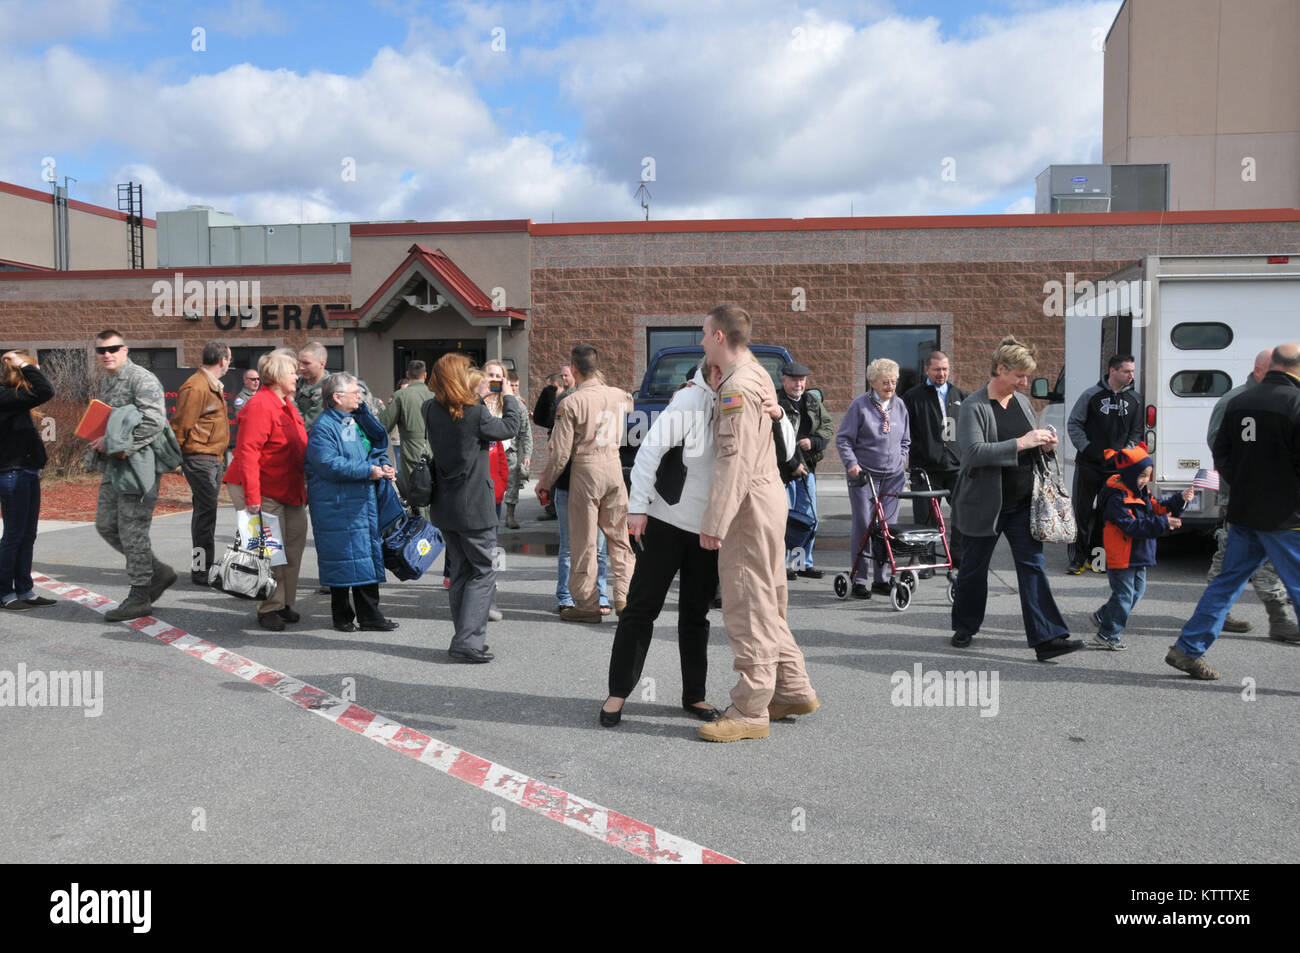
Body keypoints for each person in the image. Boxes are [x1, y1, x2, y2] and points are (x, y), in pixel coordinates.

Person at [697, 304, 818, 743]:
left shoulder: (738, 386)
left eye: (704, 333)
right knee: (767, 598)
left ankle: (750, 708)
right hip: (765, 497)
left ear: (719, 337)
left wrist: (716, 519)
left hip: (746, 504)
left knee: (747, 602)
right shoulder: (754, 374)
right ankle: (791, 689)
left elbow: (734, 459)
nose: (701, 339)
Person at [600, 359, 730, 727]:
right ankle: (617, 693)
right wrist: (637, 508)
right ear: (712, 372)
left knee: (696, 615)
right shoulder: (689, 401)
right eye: (723, 370)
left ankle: (695, 696)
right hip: (666, 521)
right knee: (641, 610)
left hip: (708, 529)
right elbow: (648, 454)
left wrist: (774, 408)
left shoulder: (740, 401)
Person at [1168, 344, 1300, 679]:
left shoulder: (1238, 401)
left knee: (1227, 583)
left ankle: (1187, 649)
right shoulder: (1296, 403)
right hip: (1286, 518)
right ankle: (1187, 649)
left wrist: (1241, 483)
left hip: (1243, 511)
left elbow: (1221, 452)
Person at [949, 336, 1083, 661]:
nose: (1025, 382)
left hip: (1023, 503)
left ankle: (1047, 638)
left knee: (1033, 567)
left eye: (1026, 376)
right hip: (984, 507)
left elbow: (1029, 443)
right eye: (1019, 376)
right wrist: (1023, 442)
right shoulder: (974, 406)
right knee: (973, 570)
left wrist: (1044, 445)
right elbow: (973, 454)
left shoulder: (1021, 402)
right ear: (1000, 369)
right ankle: (965, 626)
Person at [423, 353, 521, 663]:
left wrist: (478, 396)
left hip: (445, 506)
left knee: (462, 572)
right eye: (466, 371)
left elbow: (457, 413)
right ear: (458, 379)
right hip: (475, 507)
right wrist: (507, 395)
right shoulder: (475, 413)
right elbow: (510, 427)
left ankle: (463, 636)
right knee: (483, 571)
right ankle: (467, 641)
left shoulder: (430, 409)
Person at [1202, 348, 1298, 638]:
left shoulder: (1278, 399)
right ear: (1259, 371)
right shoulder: (1235, 400)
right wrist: (1244, 481)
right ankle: (1225, 616)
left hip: (1268, 499)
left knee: (1253, 560)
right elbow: (1218, 445)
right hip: (1242, 495)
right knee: (1230, 558)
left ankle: (1277, 617)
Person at [535, 346, 634, 623]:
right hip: (613, 467)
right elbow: (629, 403)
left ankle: (588, 604)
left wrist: (545, 482)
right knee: (618, 538)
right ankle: (624, 596)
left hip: (586, 469)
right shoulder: (619, 396)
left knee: (585, 541)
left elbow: (561, 453)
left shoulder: (571, 403)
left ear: (574, 369)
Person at [88, 330, 177, 623]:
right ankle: (158, 572)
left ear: (125, 350)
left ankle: (140, 595)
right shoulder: (108, 381)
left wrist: (113, 443)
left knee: (131, 530)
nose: (107, 354)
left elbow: (154, 422)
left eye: (113, 348)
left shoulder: (142, 379)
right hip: (115, 466)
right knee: (105, 525)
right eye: (101, 350)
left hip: (139, 467)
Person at [306, 373, 403, 633]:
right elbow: (328, 464)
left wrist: (383, 465)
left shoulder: (353, 419)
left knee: (366, 557)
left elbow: (374, 446)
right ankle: (342, 617)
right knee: (341, 560)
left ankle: (370, 616)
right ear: (337, 397)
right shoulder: (325, 426)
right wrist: (367, 470)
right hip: (337, 505)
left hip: (359, 502)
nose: (359, 396)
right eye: (354, 393)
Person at [224, 349, 309, 632]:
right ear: (276, 376)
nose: (297, 375)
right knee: (271, 553)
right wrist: (253, 499)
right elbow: (248, 452)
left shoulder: (287, 404)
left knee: (294, 545)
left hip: (289, 489)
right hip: (263, 489)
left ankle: (284, 602)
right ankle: (269, 606)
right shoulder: (261, 405)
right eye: (292, 371)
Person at [1093, 445, 1193, 650]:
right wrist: (1164, 523)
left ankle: (1105, 614)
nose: (1145, 480)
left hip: (1137, 553)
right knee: (1124, 595)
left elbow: (1157, 506)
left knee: (1137, 592)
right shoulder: (1117, 498)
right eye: (1142, 476)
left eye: (1148, 475)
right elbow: (1131, 527)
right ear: (1129, 474)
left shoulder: (1140, 490)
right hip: (1122, 555)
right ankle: (1107, 634)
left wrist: (1179, 500)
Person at [836, 358, 911, 598]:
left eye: (893, 381)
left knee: (886, 528)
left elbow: (906, 441)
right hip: (865, 477)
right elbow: (844, 439)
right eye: (885, 382)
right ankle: (859, 579)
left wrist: (902, 460)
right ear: (873, 383)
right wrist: (852, 465)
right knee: (864, 525)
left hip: (893, 477)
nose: (890, 386)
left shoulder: (900, 405)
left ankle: (882, 578)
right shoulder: (860, 406)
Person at [1065, 353, 1141, 573]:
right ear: (1113, 371)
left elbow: (1136, 433)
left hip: (1116, 470)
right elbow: (1074, 424)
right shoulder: (1091, 395)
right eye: (1127, 371)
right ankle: (1076, 559)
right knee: (1082, 512)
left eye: (1133, 371)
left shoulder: (1135, 399)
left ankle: (1096, 559)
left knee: (1106, 515)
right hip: (1088, 466)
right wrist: (1088, 449)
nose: (1131, 375)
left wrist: (1124, 455)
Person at [171, 341, 232, 586]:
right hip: (199, 459)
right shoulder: (196, 387)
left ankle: (202, 567)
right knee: (206, 516)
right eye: (229, 359)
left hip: (212, 458)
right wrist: (175, 460)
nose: (229, 363)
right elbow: (180, 426)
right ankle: (201, 570)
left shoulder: (210, 384)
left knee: (205, 514)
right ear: (223, 360)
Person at [0, 350, 56, 611]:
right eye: (32, 368)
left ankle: (25, 589)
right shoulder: (5, 396)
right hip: (12, 474)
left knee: (27, 535)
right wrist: (23, 363)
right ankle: (4, 593)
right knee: (13, 535)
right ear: (19, 371)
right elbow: (45, 390)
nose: (37, 372)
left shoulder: (15, 400)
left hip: (26, 473)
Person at [901, 350, 967, 568]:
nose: (942, 373)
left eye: (945, 369)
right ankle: (926, 561)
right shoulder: (912, 397)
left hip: (955, 467)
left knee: (962, 514)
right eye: (937, 369)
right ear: (927, 369)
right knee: (925, 518)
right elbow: (905, 432)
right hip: (926, 468)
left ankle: (957, 558)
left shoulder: (960, 395)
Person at [776, 360, 833, 581]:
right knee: (785, 519)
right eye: (793, 380)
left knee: (807, 518)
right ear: (784, 380)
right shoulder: (777, 403)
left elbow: (827, 426)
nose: (798, 384)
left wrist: (814, 441)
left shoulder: (812, 400)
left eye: (801, 380)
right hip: (783, 472)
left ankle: (801, 564)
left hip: (807, 469)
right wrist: (791, 463)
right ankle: (782, 565)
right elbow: (774, 439)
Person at [378, 359, 432, 506]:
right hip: (436, 450)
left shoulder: (401, 395)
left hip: (412, 451)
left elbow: (383, 426)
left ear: (408, 374)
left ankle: (421, 526)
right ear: (425, 375)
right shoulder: (436, 395)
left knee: (416, 494)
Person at [532, 366, 575, 521]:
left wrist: (544, 481)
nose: (564, 378)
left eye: (566, 375)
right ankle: (553, 509)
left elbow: (554, 422)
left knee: (557, 478)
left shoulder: (569, 399)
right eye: (562, 375)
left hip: (566, 451)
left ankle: (553, 509)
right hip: (559, 445)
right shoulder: (564, 397)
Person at [502, 370, 533, 529]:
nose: (513, 389)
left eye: (516, 386)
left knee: (513, 483)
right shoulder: (494, 402)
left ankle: (509, 516)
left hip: (510, 451)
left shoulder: (520, 405)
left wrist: (527, 454)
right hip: (492, 449)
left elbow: (525, 432)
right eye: (510, 385)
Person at [295, 342, 331, 431]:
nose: (301, 367)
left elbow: (306, 427)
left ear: (322, 364)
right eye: (299, 362)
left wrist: (291, 401)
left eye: (306, 363)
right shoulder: (296, 382)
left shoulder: (328, 390)